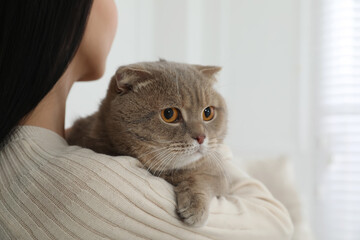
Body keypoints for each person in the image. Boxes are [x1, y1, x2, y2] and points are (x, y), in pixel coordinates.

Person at [0, 0, 294, 239]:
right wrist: (212, 156)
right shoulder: (89, 184)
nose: (199, 134)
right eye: (169, 114)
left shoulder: (26, 151)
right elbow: (275, 223)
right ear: (61, 13)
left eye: (208, 114)